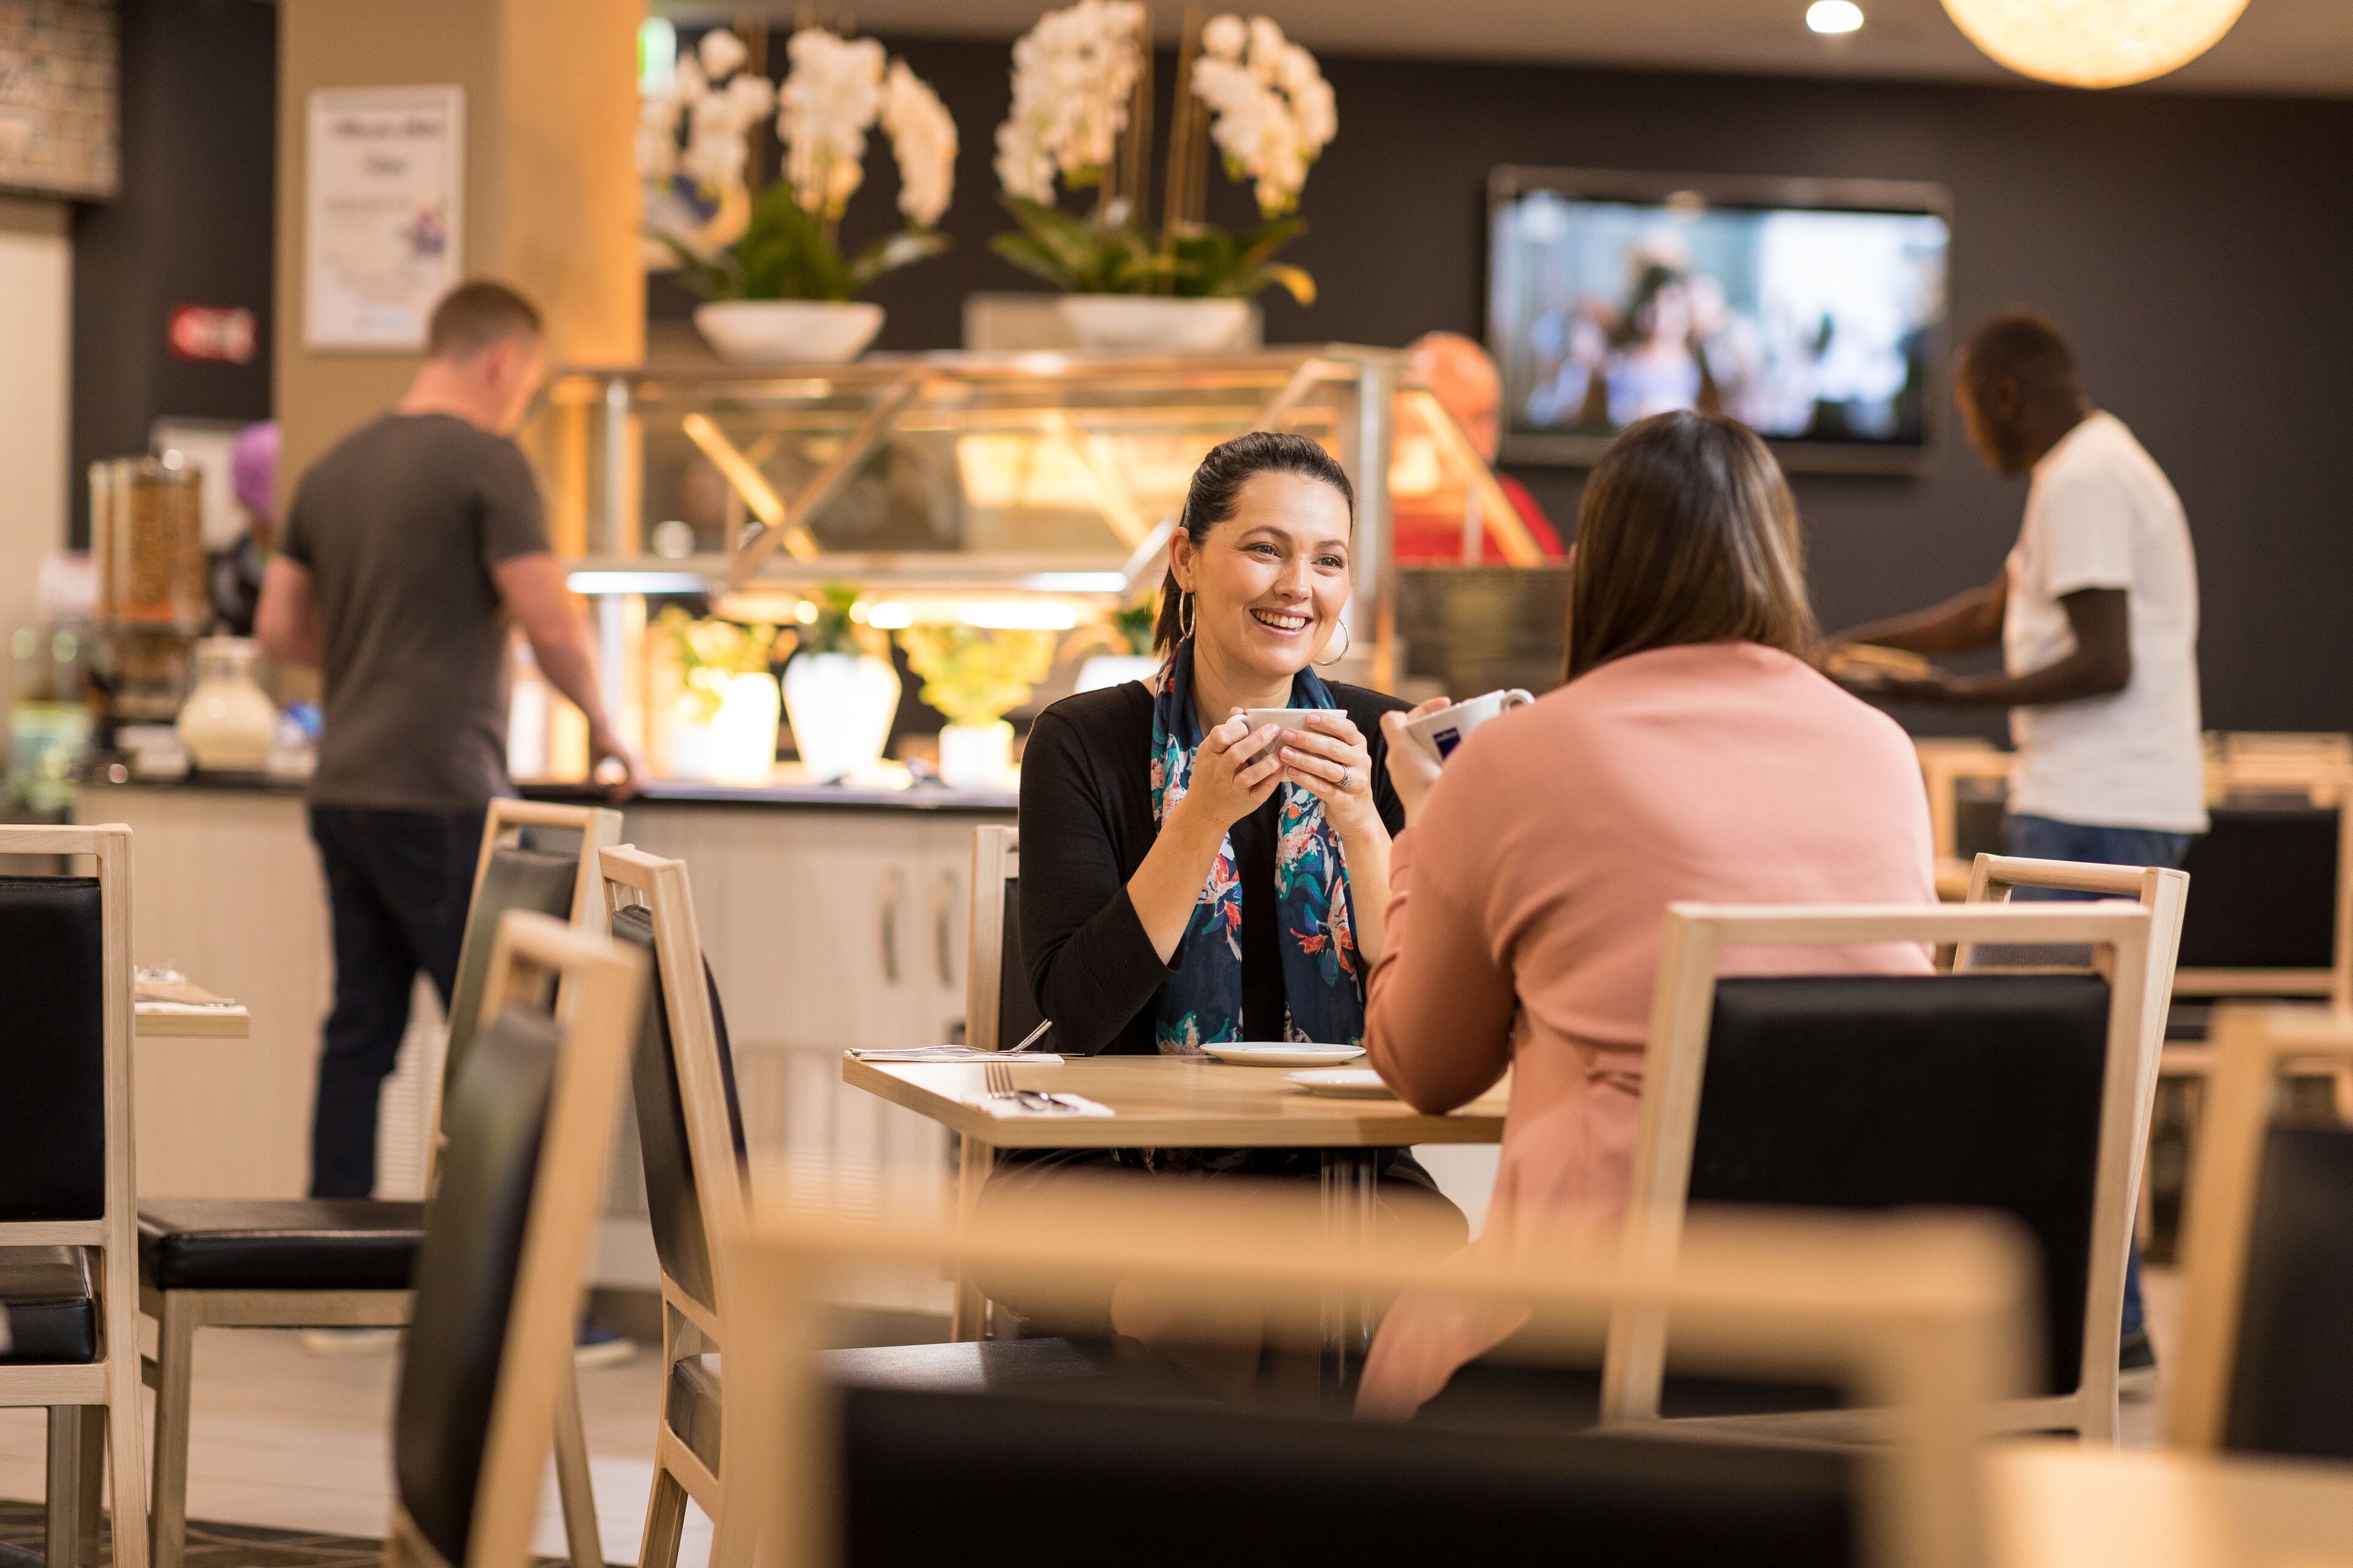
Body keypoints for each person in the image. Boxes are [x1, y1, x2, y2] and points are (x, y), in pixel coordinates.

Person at [1354, 410, 1938, 1418]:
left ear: (1595, 567)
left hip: (1602, 1310)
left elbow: (1428, 1070)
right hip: (1866, 1303)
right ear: (1778, 557)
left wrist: (1425, 823)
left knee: (1404, 1352)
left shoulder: (1519, 757)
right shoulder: (1881, 746)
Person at [989, 430, 1466, 1363]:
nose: (1298, 586)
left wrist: (1364, 825)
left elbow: (1423, 1008)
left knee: (1453, 1296)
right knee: (1204, 1299)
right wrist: (1199, 818)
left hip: (1337, 1166)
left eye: (1327, 560)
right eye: (1265, 548)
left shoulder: (1382, 739)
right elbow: (1079, 1012)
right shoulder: (1083, 739)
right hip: (1104, 1162)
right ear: (1186, 560)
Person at [1828, 308, 2203, 1395]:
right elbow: (1993, 610)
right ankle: (2108, 1327)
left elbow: (2104, 659)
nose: (1971, 435)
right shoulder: (2085, 469)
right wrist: (1855, 647)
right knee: (2068, 1073)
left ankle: (2079, 1331)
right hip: (2105, 806)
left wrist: (1948, 700)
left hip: (2092, 813)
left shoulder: (2084, 476)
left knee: (2033, 1074)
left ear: (2002, 395)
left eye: (1967, 411)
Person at [256, 281, 642, 1212]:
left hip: (344, 787)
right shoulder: (487, 461)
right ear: (504, 361)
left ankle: (332, 1257)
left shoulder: (333, 466)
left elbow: (278, 627)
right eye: (528, 385)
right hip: (439, 788)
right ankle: (502, 1269)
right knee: (503, 1035)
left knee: (360, 1033)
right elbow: (552, 625)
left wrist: (372, 657)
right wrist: (606, 727)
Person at [1395, 331, 1564, 563]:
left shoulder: (1509, 500)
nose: (1478, 437)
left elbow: (1548, 574)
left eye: (1488, 417)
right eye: (1453, 420)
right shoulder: (1372, 506)